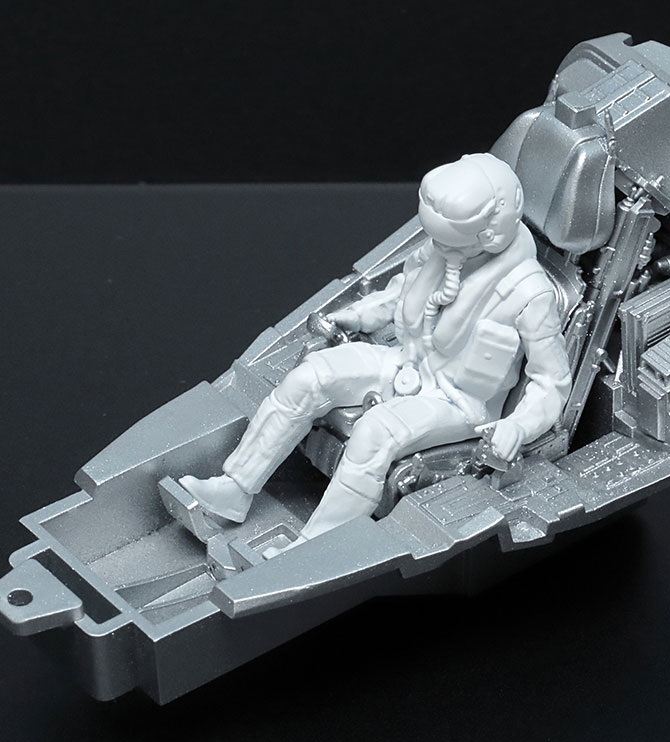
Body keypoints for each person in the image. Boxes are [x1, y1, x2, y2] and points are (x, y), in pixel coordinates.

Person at [178, 153, 571, 546]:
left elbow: (551, 382)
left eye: (450, 242)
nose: (438, 247)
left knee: (375, 432)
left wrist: (518, 427)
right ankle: (234, 489)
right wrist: (357, 315)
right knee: (309, 378)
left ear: (488, 235)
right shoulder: (442, 251)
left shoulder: (529, 293)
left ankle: (315, 544)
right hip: (406, 362)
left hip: (461, 403)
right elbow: (399, 293)